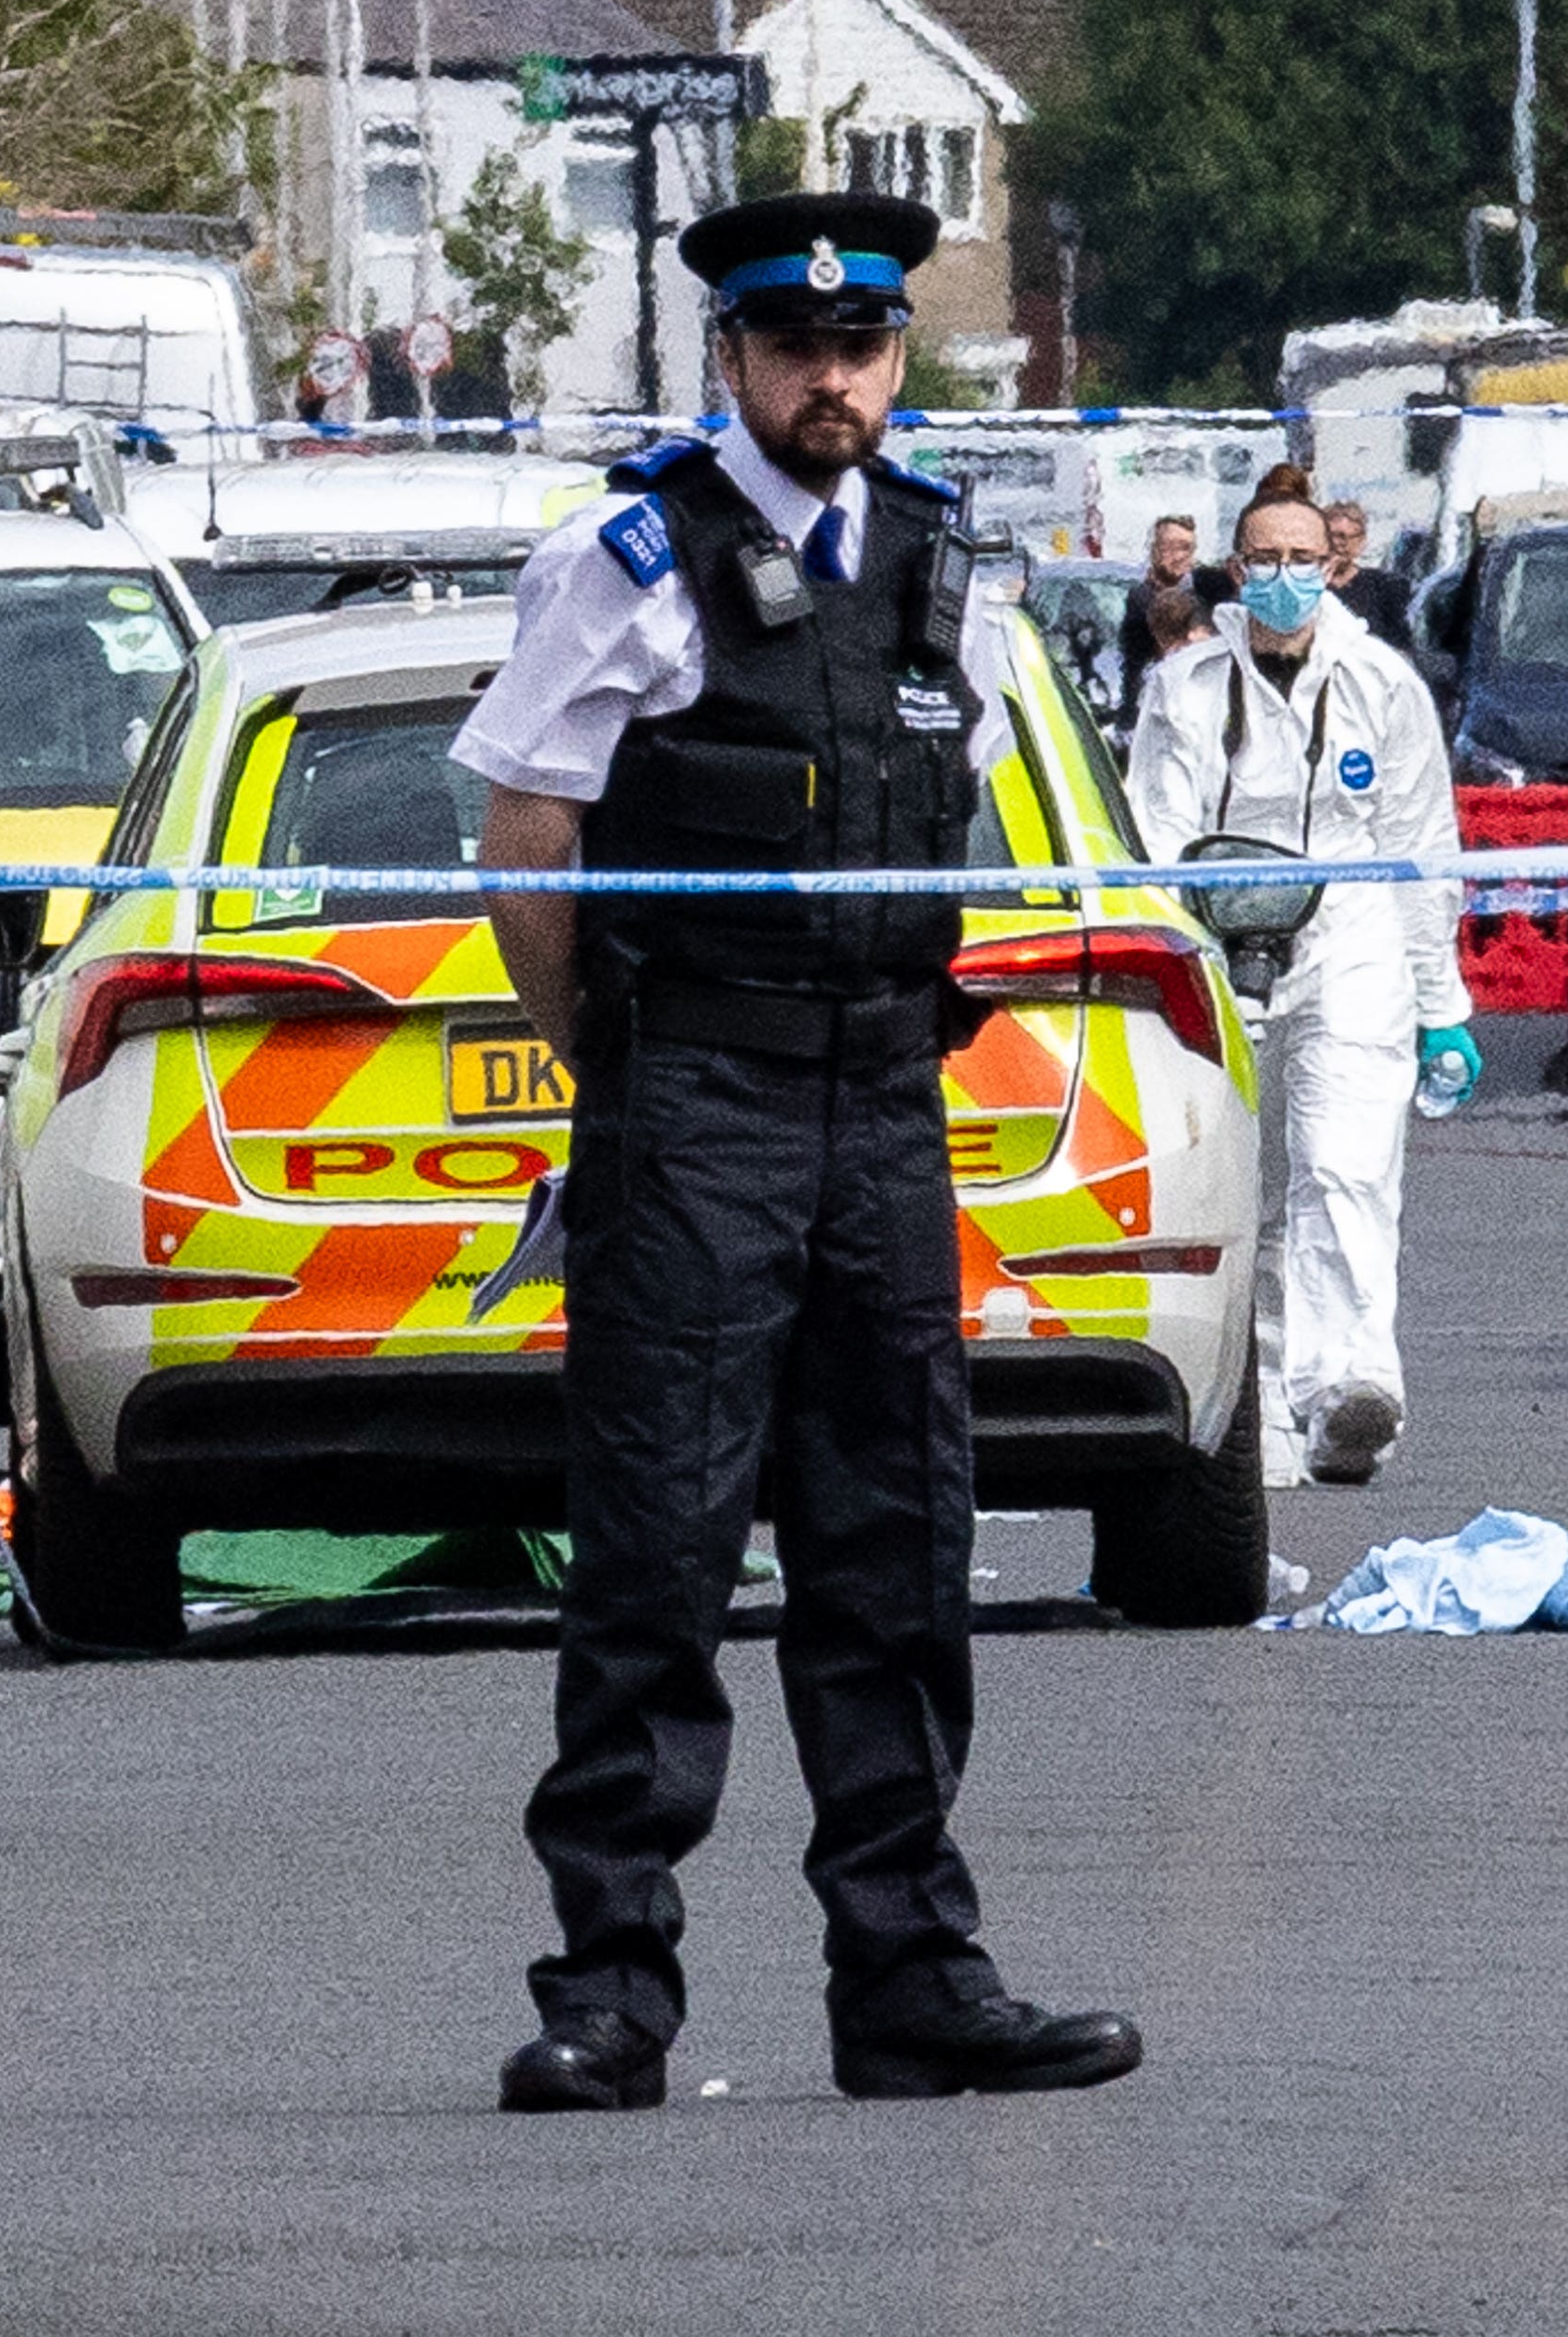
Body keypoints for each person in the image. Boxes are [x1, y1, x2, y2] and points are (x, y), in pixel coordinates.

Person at [457, 192, 1142, 2111]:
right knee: (659, 1554)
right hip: (697, 1104)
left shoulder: (944, 561)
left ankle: (912, 1974)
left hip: (882, 1111)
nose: (827, 375)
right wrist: (606, 1055)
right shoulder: (630, 556)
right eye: (790, 347)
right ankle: (608, 1990)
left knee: (896, 1545)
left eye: (859, 348)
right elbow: (529, 843)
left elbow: (969, 824)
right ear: (735, 360)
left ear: (898, 360)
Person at [1128, 463, 1478, 1489]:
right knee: (1248, 1182)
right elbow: (1156, 835)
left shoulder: (1382, 686)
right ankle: (1264, 1405)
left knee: (1345, 1166)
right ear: (1236, 570)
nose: (1283, 579)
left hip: (1352, 937)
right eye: (1265, 560)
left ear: (1337, 566)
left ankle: (1349, 1384)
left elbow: (1424, 847)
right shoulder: (1185, 687)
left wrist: (1439, 1004)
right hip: (1220, 935)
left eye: (1302, 561)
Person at [1117, 512, 1210, 700]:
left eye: (1187, 548)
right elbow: (1135, 664)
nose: (1180, 556)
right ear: (1154, 551)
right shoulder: (1141, 600)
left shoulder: (1204, 597)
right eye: (1171, 548)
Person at [1323, 498, 1417, 654]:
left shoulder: (1386, 586)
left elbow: (1401, 645)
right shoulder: (1307, 587)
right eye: (1334, 536)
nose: (1340, 544)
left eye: (1348, 537)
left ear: (1361, 542)